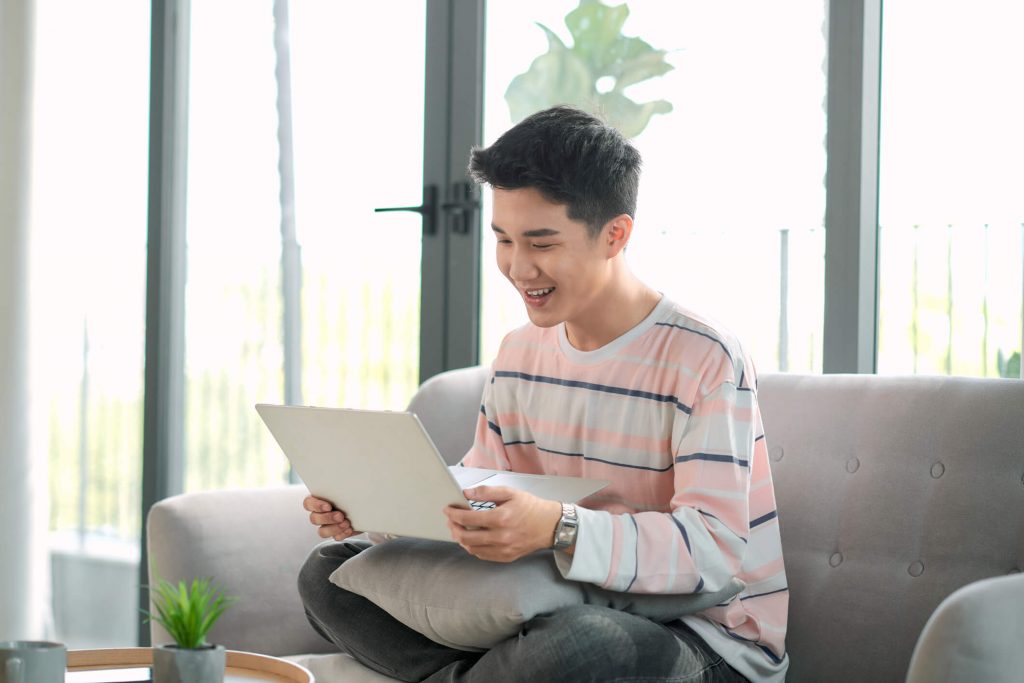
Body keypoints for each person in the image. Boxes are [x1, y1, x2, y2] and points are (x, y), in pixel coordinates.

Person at [298, 106, 789, 682]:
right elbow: (486, 491)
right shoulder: (520, 352)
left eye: (542, 242)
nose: (517, 266)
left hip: (702, 636)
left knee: (573, 649)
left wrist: (560, 527)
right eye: (503, 239)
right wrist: (372, 512)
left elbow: (713, 549)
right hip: (553, 596)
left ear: (615, 234)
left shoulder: (704, 358)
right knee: (329, 571)